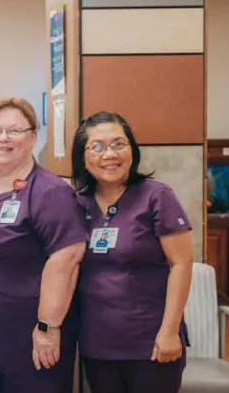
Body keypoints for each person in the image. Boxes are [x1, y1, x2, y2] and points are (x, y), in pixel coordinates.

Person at [0, 98, 88, 393]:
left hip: (27, 343)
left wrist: (47, 328)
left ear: (32, 137)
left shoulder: (50, 192)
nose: (3, 139)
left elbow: (66, 260)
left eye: (14, 131)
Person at [70, 112, 193, 393]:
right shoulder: (76, 203)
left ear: (132, 150)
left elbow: (182, 264)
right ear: (83, 156)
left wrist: (170, 331)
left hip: (150, 342)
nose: (109, 154)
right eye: (97, 147)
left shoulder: (157, 196)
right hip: (97, 344)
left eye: (118, 144)